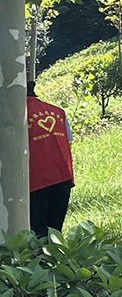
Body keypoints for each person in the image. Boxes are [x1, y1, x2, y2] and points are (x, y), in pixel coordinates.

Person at [26, 81, 75, 238]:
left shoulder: (16, 117)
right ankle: (56, 261)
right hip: (63, 176)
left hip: (36, 181)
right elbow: (69, 139)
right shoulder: (58, 112)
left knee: (38, 232)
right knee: (55, 231)